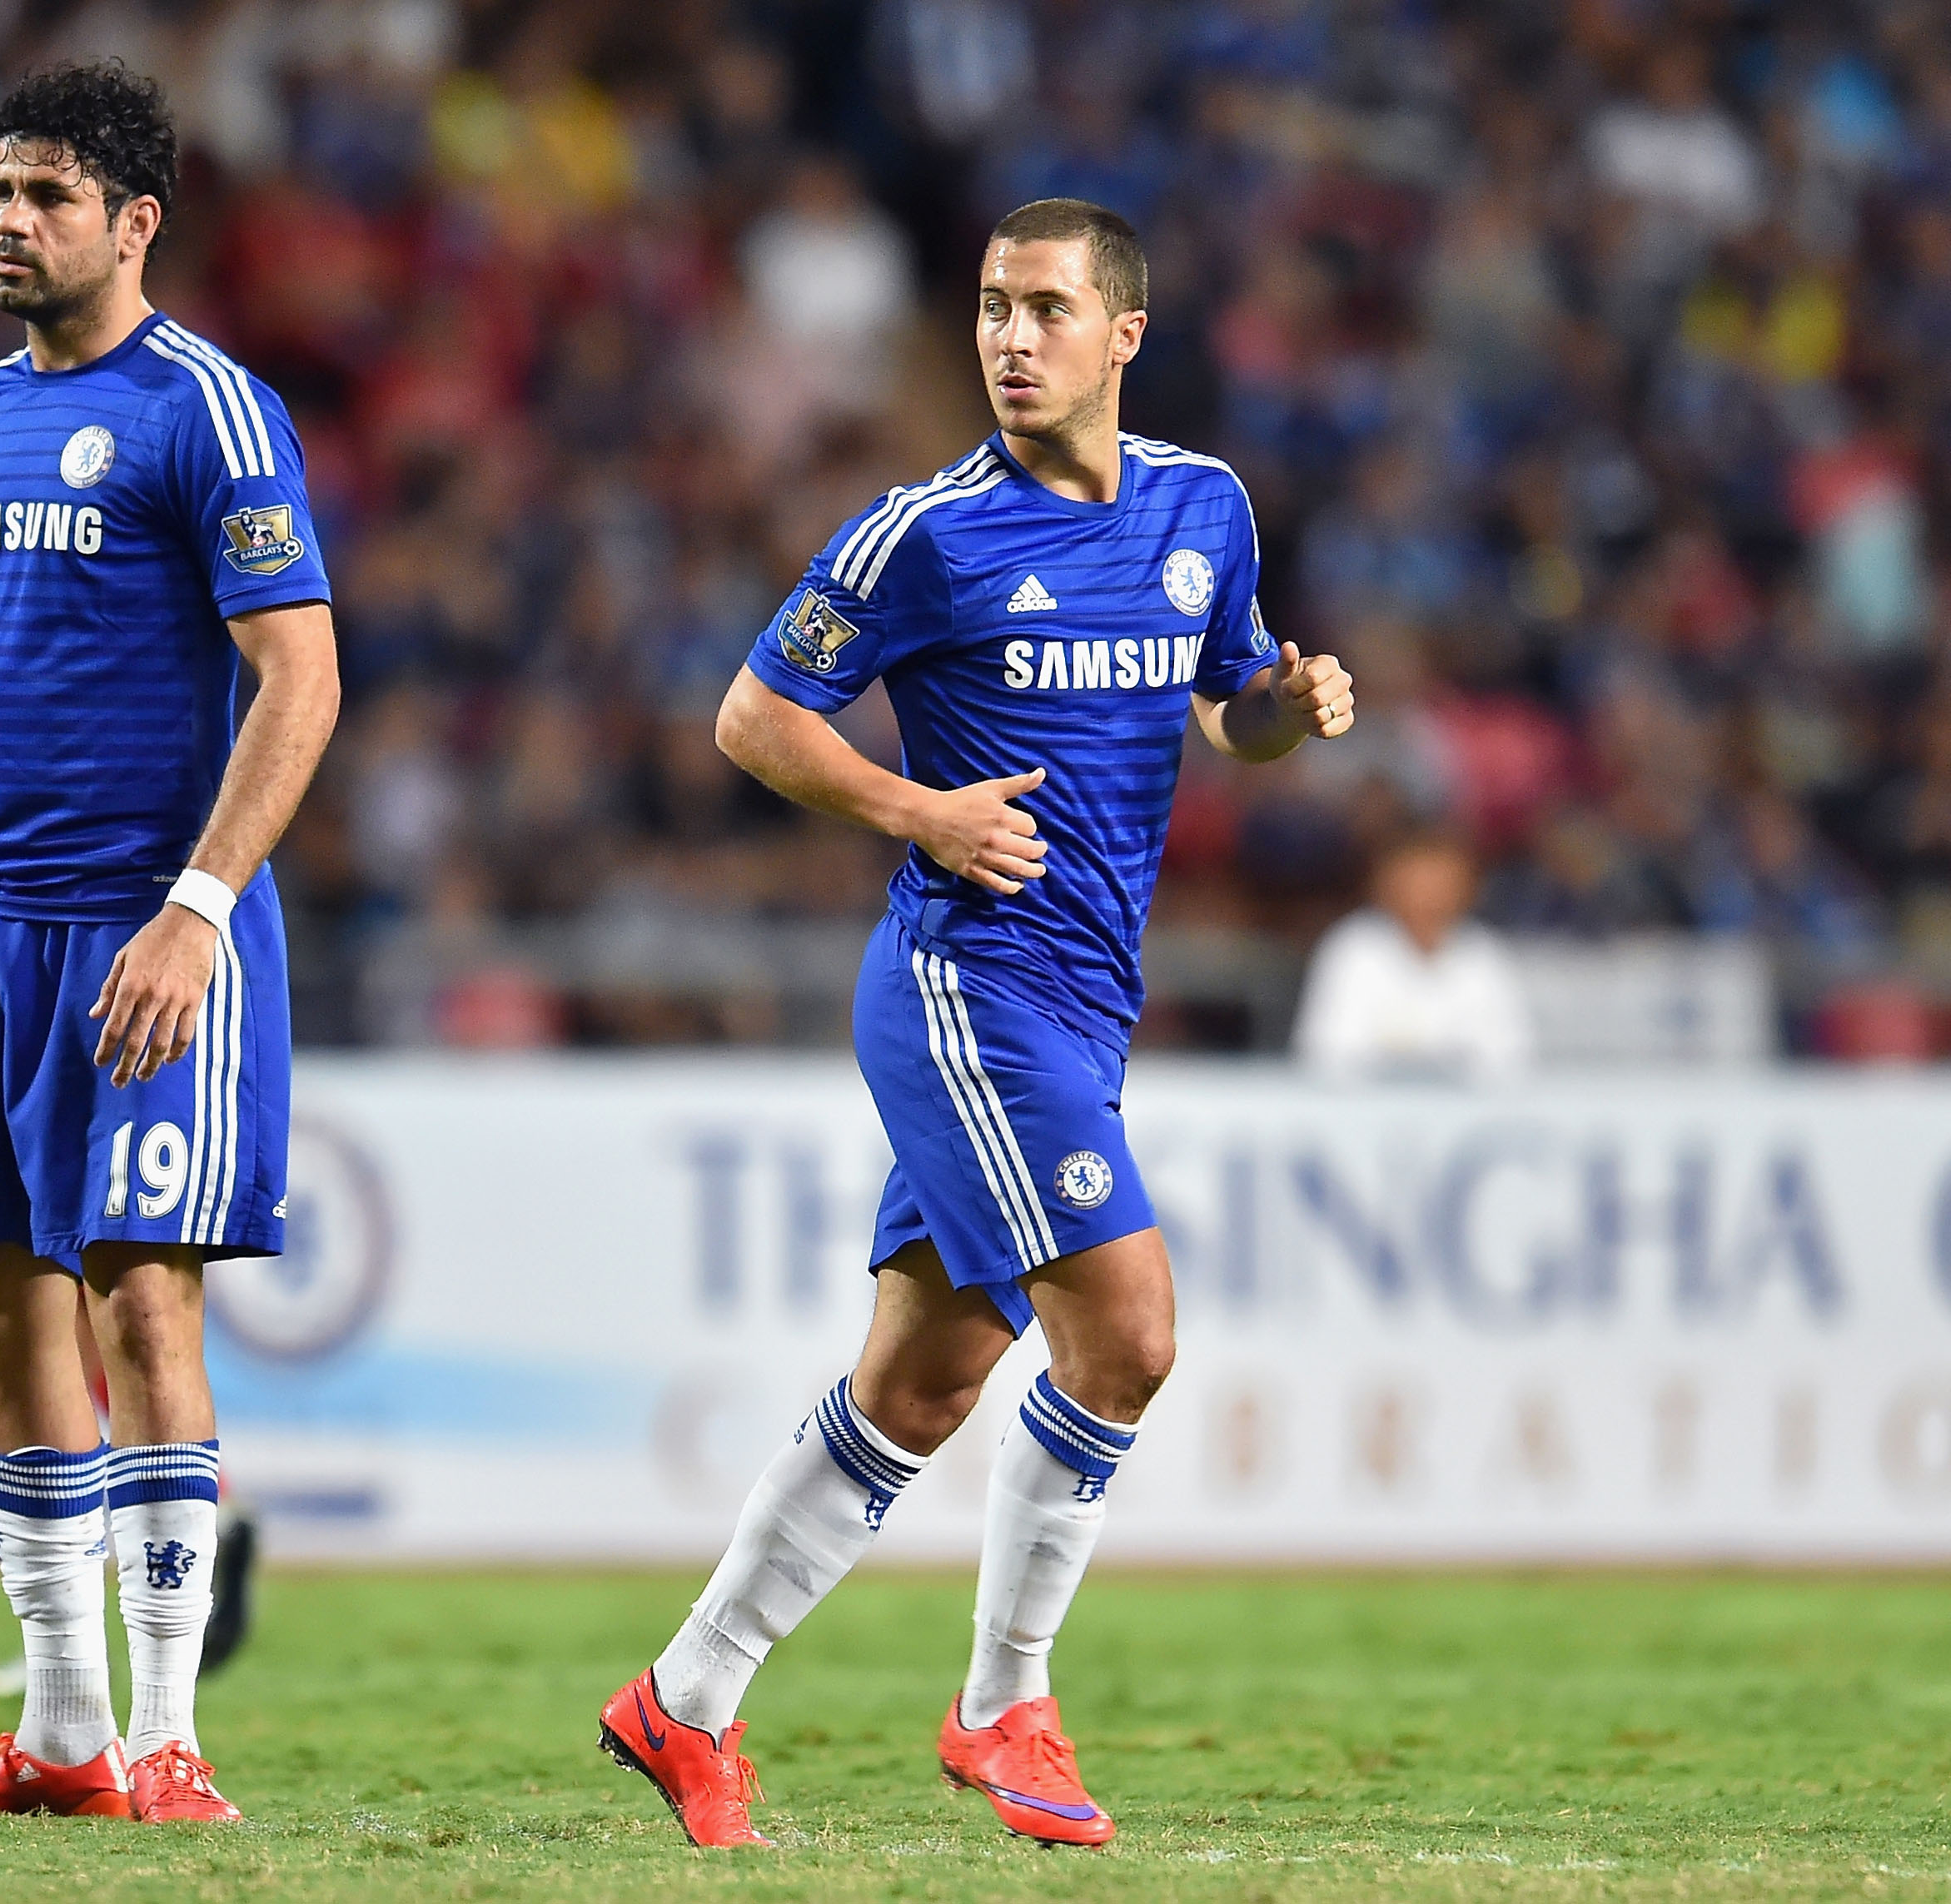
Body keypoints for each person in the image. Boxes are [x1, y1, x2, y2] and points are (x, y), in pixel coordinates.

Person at [597, 197, 1353, 1849]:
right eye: (993, 311)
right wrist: (912, 808)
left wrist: (1282, 712)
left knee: (921, 1383)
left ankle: (684, 1697)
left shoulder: (1200, 507)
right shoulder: (920, 535)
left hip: (1088, 1003)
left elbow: (1225, 710)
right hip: (963, 986)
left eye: (1044, 310)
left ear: (1123, 332)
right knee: (1130, 1331)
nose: (1010, 339)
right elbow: (750, 715)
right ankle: (1004, 1698)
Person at [0, 61, 340, 1827]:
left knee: (146, 1303)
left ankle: (170, 1742)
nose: (9, 220)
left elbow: (300, 677)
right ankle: (65, 1734)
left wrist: (197, 910)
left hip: (146, 933)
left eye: (49, 194)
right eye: (1, 188)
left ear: (135, 222)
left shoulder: (209, 411)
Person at [1292, 832, 1535, 1080]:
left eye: (1441, 881)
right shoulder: (1352, 949)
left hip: (1467, 1112)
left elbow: (1511, 1056)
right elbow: (1326, 1051)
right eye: (1417, 881)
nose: (1428, 894)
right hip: (1366, 1110)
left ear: (1468, 887)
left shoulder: (1486, 955)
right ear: (1386, 885)